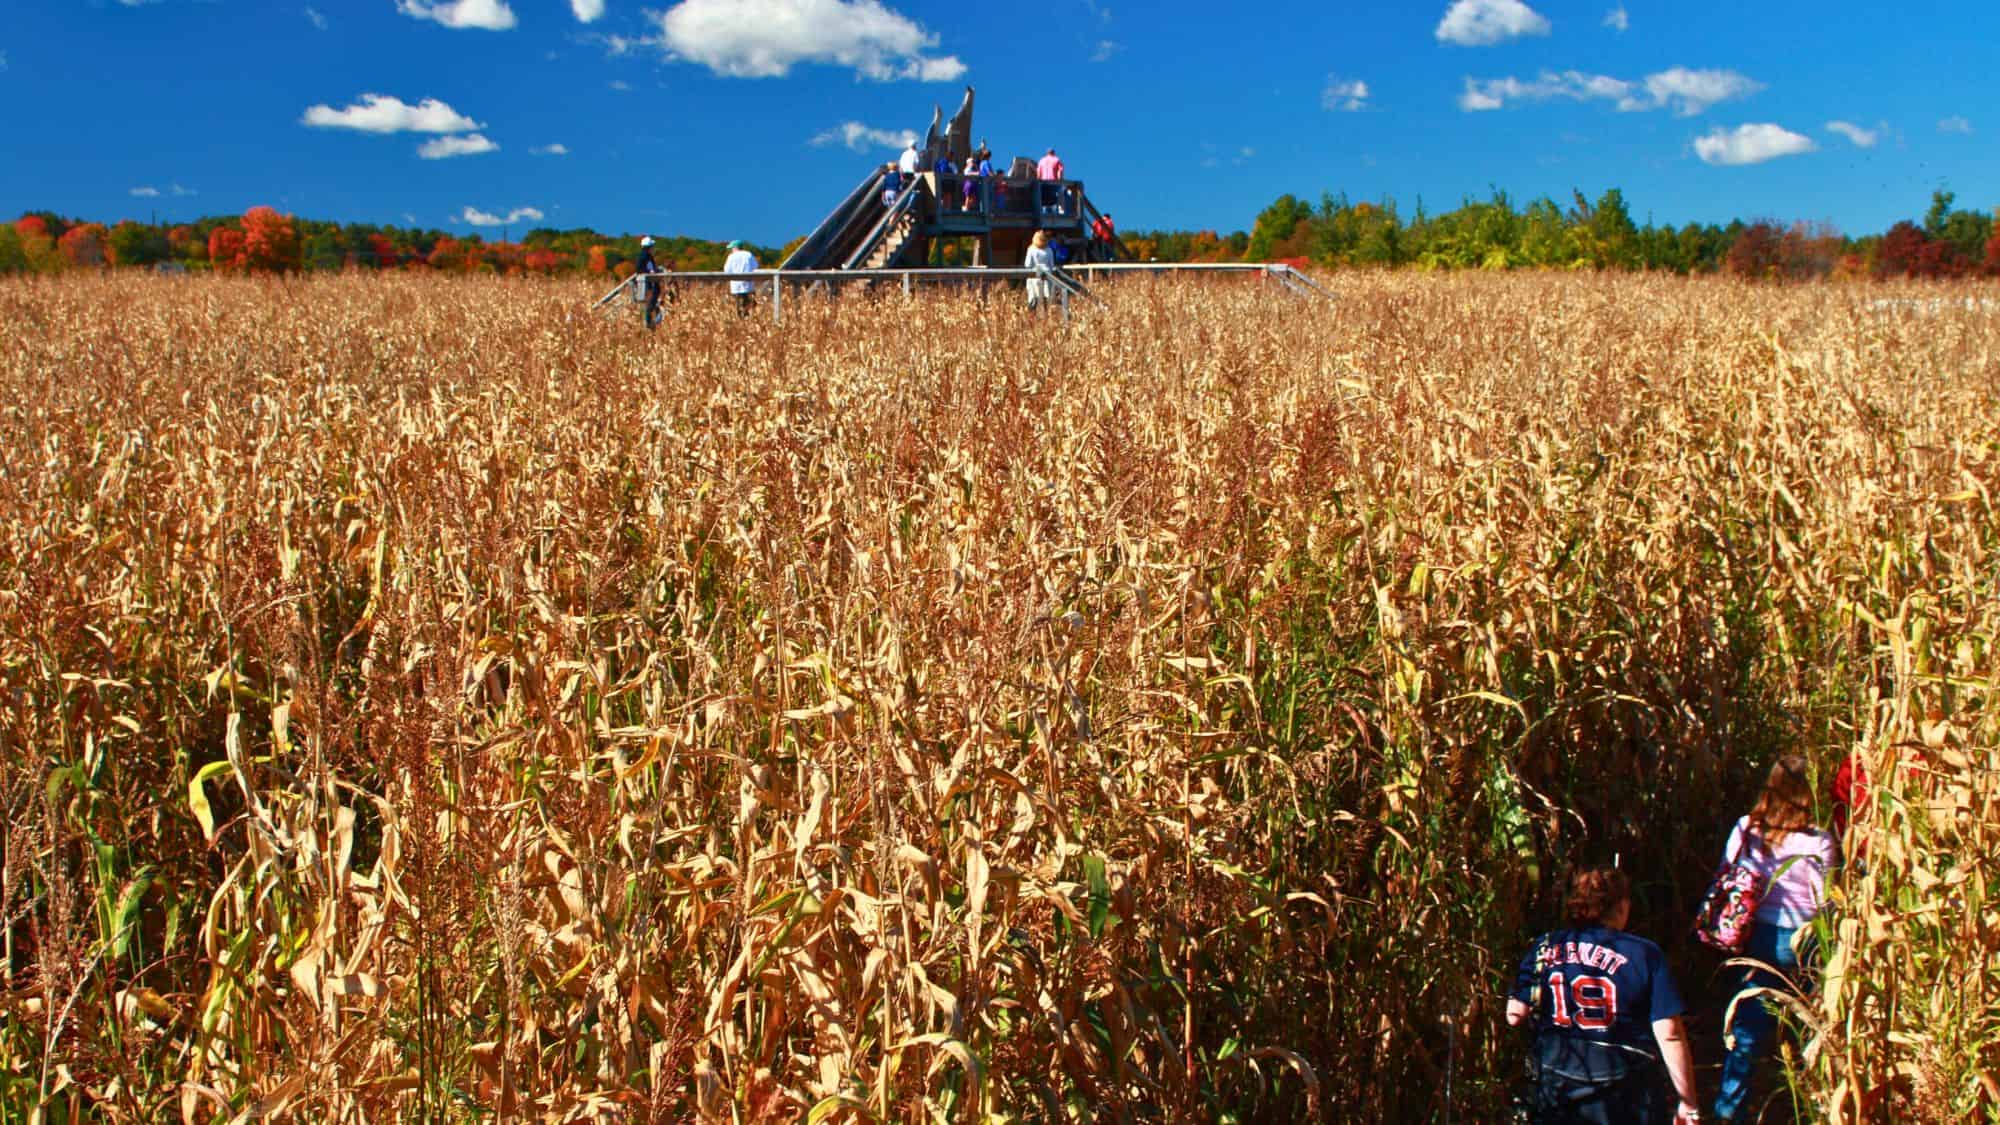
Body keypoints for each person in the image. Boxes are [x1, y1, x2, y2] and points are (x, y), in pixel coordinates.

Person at [1507, 866, 1702, 1124]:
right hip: (1625, 1089)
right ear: (1621, 907)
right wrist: (1688, 1103)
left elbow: (1514, 1015)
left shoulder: (1545, 946)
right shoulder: (1644, 953)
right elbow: (1669, 1033)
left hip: (1558, 1083)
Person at [1712, 756, 1839, 1123]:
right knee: (1812, 1023)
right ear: (1808, 791)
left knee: (1749, 1026)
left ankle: (1729, 1110)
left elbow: (1729, 873)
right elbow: (1825, 898)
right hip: (1806, 938)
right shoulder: (1819, 840)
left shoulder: (1747, 828)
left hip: (1758, 936)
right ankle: (1810, 1104)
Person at [634, 236, 671, 328]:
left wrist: (657, 270)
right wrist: (649, 271)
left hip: (650, 280)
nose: (653, 248)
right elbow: (639, 268)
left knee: (655, 293)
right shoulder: (644, 255)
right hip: (645, 281)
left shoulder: (648, 256)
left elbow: (651, 267)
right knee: (649, 298)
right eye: (652, 246)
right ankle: (648, 318)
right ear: (649, 247)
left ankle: (650, 316)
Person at [723, 239, 758, 318]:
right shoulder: (748, 254)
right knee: (750, 305)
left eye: (731, 248)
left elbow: (727, 270)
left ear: (735, 247)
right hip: (749, 285)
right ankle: (750, 321)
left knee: (739, 306)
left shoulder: (731, 257)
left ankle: (742, 320)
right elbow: (755, 266)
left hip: (736, 286)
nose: (731, 250)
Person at [1023, 230, 1057, 311]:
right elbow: (1052, 265)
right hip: (1047, 277)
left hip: (1034, 277)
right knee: (1047, 300)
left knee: (1033, 300)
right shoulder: (1049, 250)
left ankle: (1032, 315)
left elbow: (1027, 265)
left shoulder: (1031, 249)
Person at [1035, 147, 1065, 213]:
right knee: (1058, 195)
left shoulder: (1041, 161)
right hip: (1054, 184)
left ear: (1047, 153)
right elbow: (1060, 173)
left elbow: (1038, 175)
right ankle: (1058, 213)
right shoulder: (1057, 160)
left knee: (1044, 202)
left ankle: (1043, 214)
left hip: (1044, 185)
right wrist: (1060, 182)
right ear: (1053, 153)